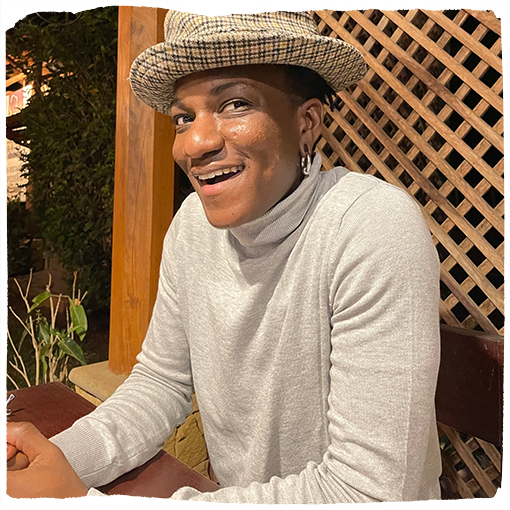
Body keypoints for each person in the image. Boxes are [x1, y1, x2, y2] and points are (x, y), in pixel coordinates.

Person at [6, 10, 442, 502]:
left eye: (235, 104)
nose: (195, 143)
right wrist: (51, 463)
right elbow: (160, 382)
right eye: (183, 118)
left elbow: (371, 491)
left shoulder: (370, 226)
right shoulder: (192, 225)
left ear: (307, 123)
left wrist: (92, 502)